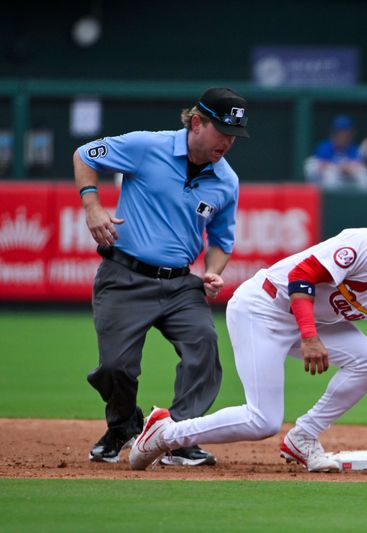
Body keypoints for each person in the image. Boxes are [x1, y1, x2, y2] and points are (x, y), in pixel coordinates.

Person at [129, 205, 367, 472]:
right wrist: (310, 336)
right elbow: (302, 275)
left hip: (309, 322)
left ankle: (303, 437)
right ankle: (165, 431)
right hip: (263, 308)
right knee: (262, 420)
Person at [74, 87, 249, 467]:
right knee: (115, 368)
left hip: (181, 284)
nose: (228, 141)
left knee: (203, 345)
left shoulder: (226, 181)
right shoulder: (146, 146)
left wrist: (212, 273)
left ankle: (181, 436)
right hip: (124, 275)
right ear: (197, 122)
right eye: (222, 130)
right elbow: (85, 155)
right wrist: (92, 206)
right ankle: (123, 425)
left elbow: (221, 241)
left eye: (234, 135)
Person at [304, 115, 367, 190]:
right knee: (327, 172)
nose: (342, 136)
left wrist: (348, 168)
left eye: (345, 134)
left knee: (364, 172)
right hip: (323, 184)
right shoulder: (326, 146)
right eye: (339, 133)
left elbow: (357, 165)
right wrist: (340, 167)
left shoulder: (353, 149)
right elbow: (322, 167)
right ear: (333, 134)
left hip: (344, 181)